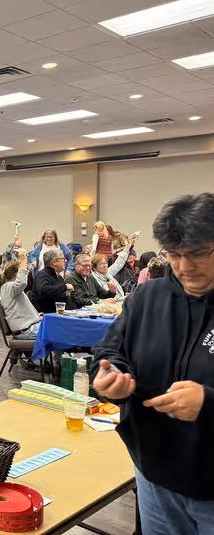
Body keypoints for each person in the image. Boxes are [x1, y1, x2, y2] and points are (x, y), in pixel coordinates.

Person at [92, 193, 214, 533]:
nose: (185, 267)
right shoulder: (148, 297)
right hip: (154, 475)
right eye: (173, 255)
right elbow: (107, 353)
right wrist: (110, 376)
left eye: (199, 254)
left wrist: (207, 402)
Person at [0, 251, 41, 340]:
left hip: (28, 328)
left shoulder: (9, 288)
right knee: (59, 333)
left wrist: (37, 316)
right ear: (16, 275)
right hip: (26, 331)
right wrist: (23, 259)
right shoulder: (8, 287)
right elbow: (21, 282)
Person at [32, 248, 75, 313]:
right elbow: (44, 290)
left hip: (59, 313)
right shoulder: (42, 275)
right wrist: (64, 287)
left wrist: (77, 311)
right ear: (54, 262)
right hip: (46, 315)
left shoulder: (58, 277)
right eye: (63, 258)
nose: (65, 261)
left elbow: (65, 299)